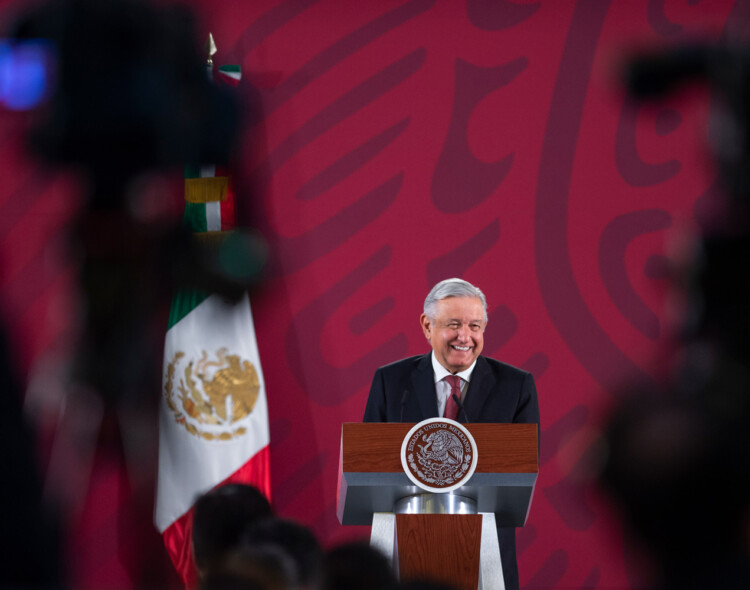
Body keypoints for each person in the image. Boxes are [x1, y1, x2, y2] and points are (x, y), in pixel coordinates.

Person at [362, 278, 540, 590]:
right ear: (427, 326)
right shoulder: (392, 382)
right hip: (406, 549)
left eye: (475, 325)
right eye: (453, 324)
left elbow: (524, 466)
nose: (465, 336)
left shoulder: (515, 385)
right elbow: (365, 462)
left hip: (487, 557)